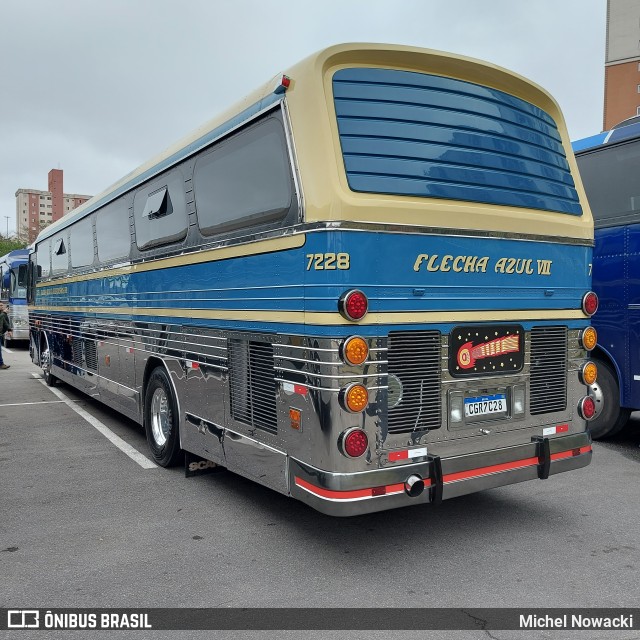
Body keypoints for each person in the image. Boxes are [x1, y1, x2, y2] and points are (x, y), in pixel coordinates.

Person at [0, 304, 12, 369]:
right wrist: (4, 313)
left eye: (2, 305)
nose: (2, 306)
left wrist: (9, 330)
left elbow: (5, 323)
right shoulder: (2, 314)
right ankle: (1, 364)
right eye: (0, 305)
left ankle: (1, 363)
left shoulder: (2, 314)